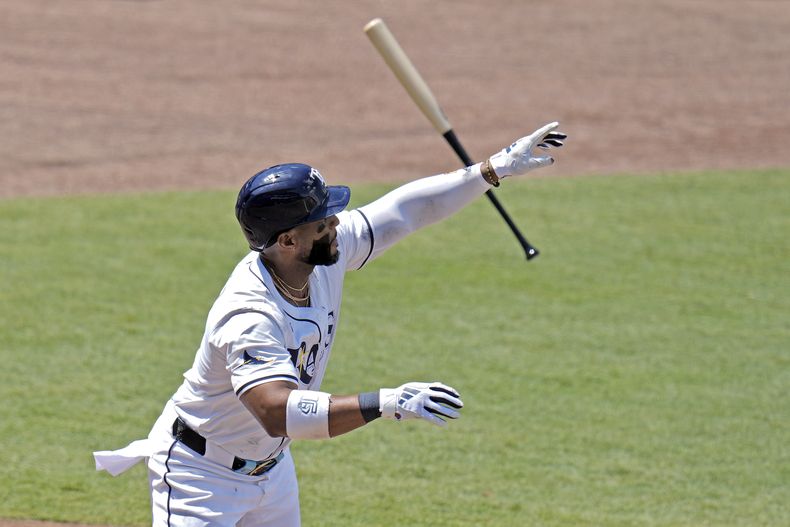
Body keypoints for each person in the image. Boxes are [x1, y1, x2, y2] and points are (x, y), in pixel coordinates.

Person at [94, 121, 566, 526]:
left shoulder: (322, 258)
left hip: (271, 469)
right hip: (202, 478)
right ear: (287, 240)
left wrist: (491, 168)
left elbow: (405, 212)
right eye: (322, 222)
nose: (337, 224)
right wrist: (386, 401)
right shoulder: (249, 314)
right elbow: (278, 412)